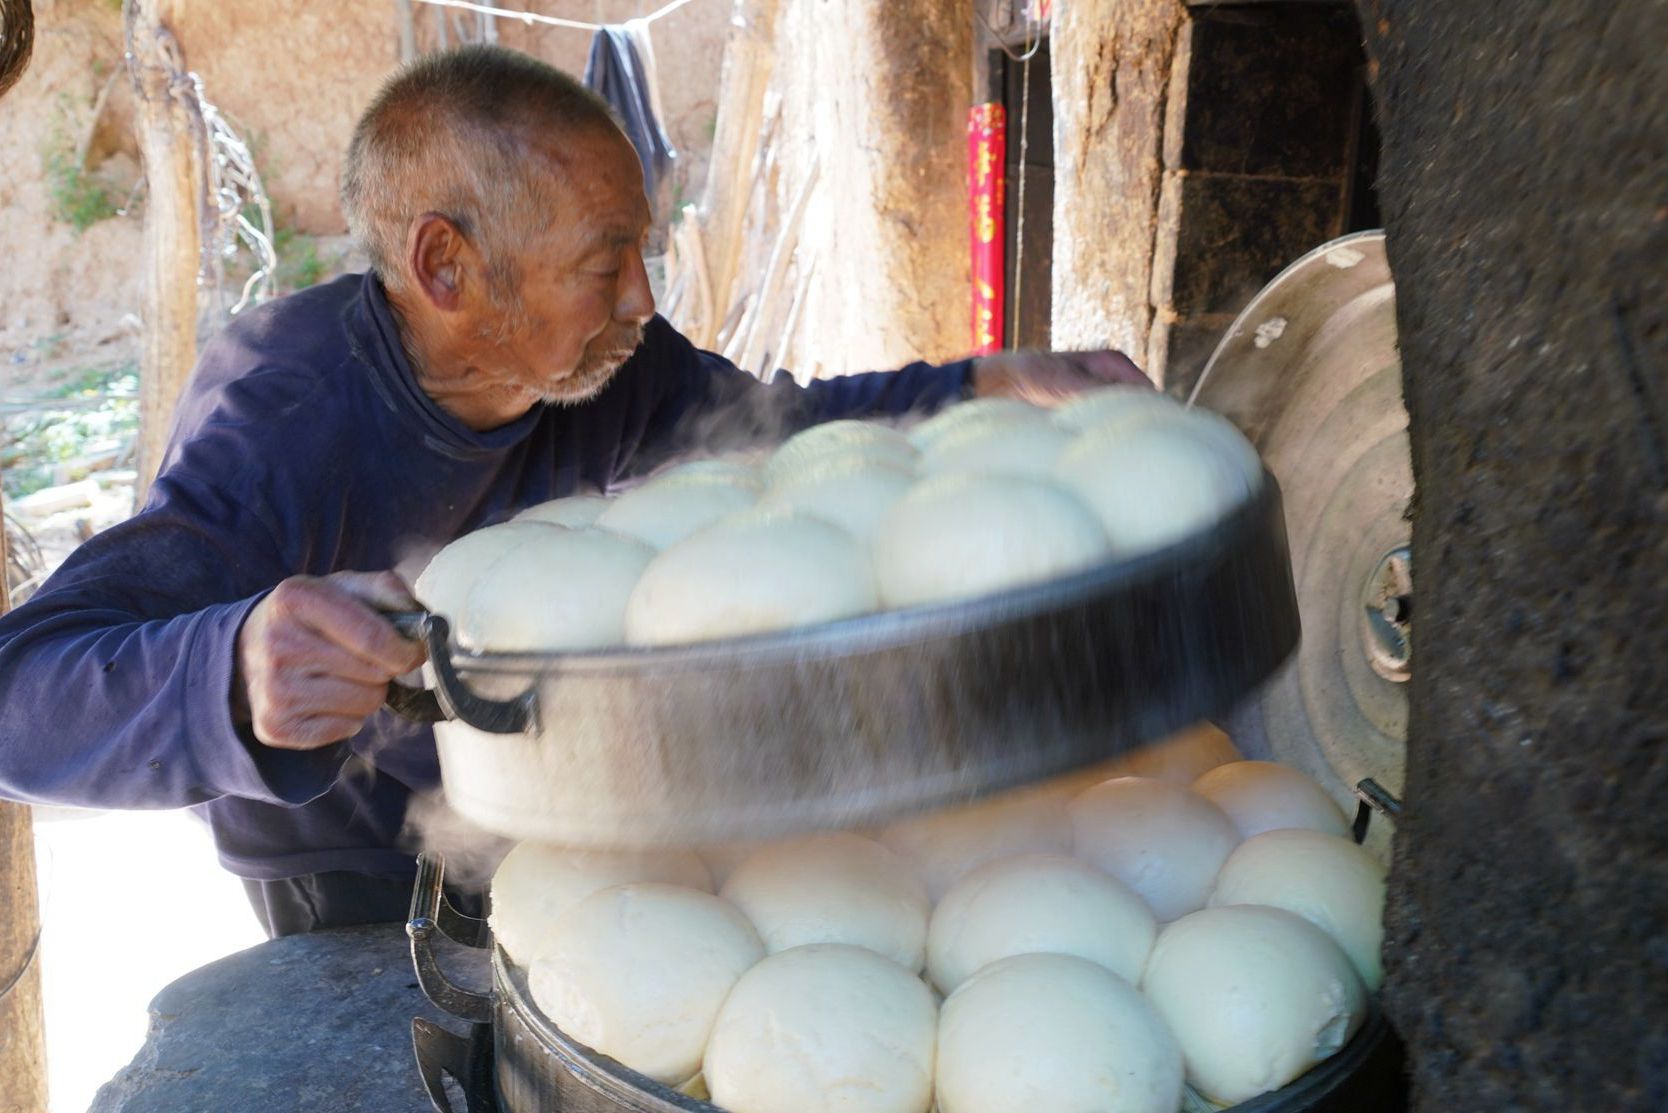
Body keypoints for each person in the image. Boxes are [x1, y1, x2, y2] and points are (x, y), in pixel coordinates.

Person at [0, 46, 1145, 937]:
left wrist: (985, 384)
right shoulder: (282, 421)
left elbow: (776, 436)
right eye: (605, 264)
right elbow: (25, 696)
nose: (642, 301)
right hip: (350, 860)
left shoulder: (610, 367)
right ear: (445, 266)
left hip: (540, 795)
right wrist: (233, 669)